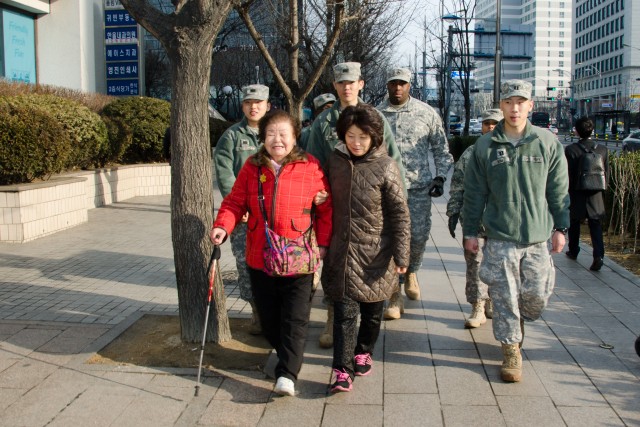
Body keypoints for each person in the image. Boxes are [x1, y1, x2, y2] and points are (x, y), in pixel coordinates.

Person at [210, 110, 332, 397]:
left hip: (299, 257)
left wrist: (323, 243)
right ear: (263, 137)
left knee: (295, 318)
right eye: (271, 134)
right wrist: (222, 227)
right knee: (268, 320)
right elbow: (234, 202)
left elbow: (326, 209)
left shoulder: (310, 166)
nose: (277, 140)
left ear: (294, 137)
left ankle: (287, 374)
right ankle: (284, 354)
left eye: (283, 134)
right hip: (260, 255)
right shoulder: (252, 167)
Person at [462, 80, 569, 383]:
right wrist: (470, 232)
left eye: (521, 102)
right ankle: (511, 350)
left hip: (537, 237)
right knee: (506, 295)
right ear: (502, 105)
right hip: (500, 237)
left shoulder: (547, 143)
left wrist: (561, 227)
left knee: (535, 296)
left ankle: (520, 320)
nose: (515, 108)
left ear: (531, 106)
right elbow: (474, 193)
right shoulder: (485, 146)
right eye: (509, 102)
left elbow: (559, 190)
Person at [306, 62, 407, 348]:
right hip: (334, 207)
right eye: (341, 83)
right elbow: (313, 163)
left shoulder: (374, 118)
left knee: (368, 265)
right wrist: (316, 197)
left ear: (361, 84)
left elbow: (393, 161)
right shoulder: (324, 122)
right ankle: (332, 317)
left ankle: (367, 321)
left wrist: (397, 201)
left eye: (351, 82)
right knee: (336, 266)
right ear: (335, 86)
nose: (346, 87)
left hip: (369, 206)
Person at [321, 104, 410, 393]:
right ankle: (341, 371)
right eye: (350, 135)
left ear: (374, 137)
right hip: (342, 251)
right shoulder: (334, 162)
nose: (356, 142)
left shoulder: (386, 166)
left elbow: (399, 212)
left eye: (363, 136)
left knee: (372, 312)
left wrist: (401, 253)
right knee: (344, 314)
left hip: (376, 253)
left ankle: (364, 350)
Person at [377, 67, 453, 320]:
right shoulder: (376, 115)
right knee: (389, 239)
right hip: (386, 189)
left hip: (418, 188)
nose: (397, 88)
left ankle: (412, 271)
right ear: (387, 86)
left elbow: (442, 149)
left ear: (410, 86)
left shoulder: (426, 113)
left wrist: (441, 177)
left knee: (418, 236)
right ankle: (394, 295)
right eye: (393, 83)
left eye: (402, 84)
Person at [214, 84, 271, 335]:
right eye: (248, 102)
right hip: (244, 216)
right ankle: (256, 313)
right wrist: (237, 206)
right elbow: (225, 172)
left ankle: (273, 311)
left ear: (267, 105)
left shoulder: (275, 134)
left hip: (272, 215)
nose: (253, 106)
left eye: (258, 102)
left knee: (274, 262)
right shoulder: (232, 136)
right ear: (243, 105)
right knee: (246, 264)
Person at [446, 108, 503, 329]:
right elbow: (458, 184)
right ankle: (477, 305)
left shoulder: (509, 152)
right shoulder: (472, 152)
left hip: (501, 223)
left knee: (499, 265)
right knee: (475, 265)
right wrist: (453, 212)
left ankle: (492, 302)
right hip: (475, 221)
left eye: (495, 123)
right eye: (487, 123)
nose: (490, 127)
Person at [565, 116, 609, 271]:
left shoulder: (571, 150)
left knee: (574, 222)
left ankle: (573, 250)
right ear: (592, 130)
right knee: (595, 225)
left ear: (576, 131)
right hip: (596, 192)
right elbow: (606, 174)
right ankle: (598, 255)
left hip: (577, 192)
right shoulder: (602, 149)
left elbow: (568, 174)